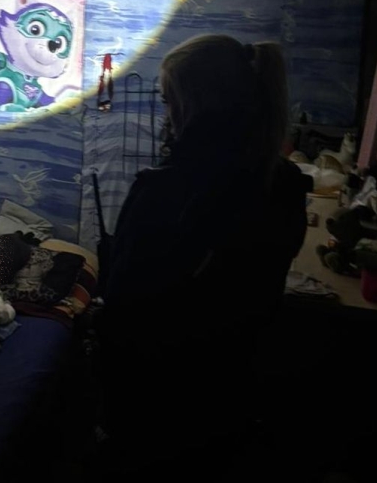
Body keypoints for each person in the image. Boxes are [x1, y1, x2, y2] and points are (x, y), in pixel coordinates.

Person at [97, 34, 310, 479]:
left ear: (190, 105)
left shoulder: (164, 192)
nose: (165, 115)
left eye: (167, 100)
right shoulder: (285, 183)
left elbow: (123, 308)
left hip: (157, 402)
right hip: (233, 388)